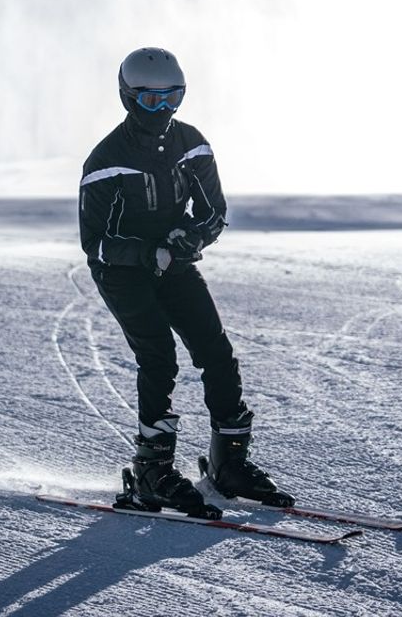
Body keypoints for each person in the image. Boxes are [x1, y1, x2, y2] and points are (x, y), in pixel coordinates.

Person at [78, 47, 293, 516]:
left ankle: (229, 465)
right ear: (127, 98)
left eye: (172, 97)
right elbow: (93, 243)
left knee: (216, 352)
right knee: (158, 357)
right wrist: (143, 251)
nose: (162, 110)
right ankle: (151, 471)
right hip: (121, 272)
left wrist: (191, 236)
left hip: (172, 264)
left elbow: (214, 213)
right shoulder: (107, 160)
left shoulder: (192, 145)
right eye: (150, 100)